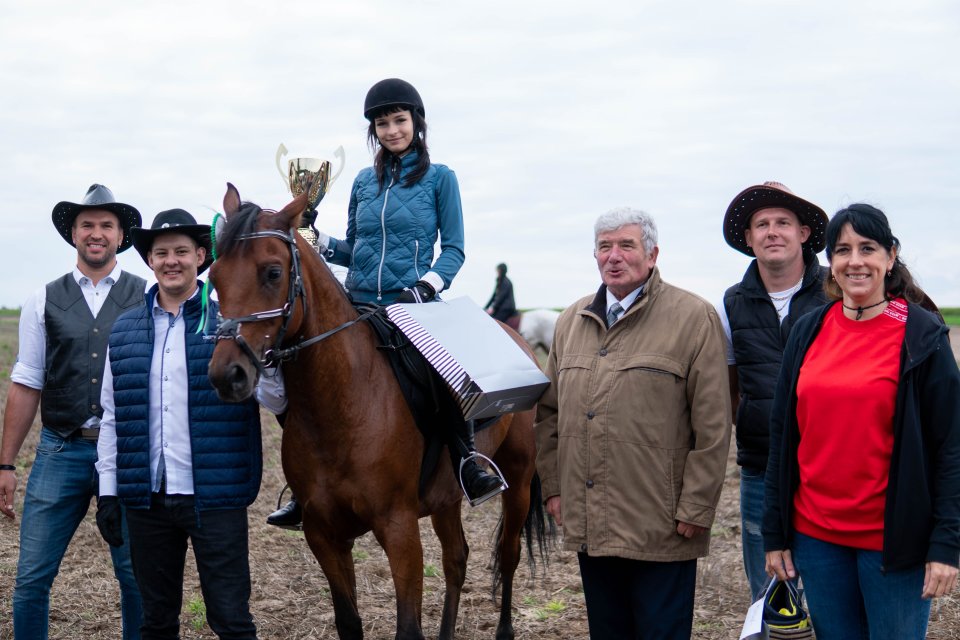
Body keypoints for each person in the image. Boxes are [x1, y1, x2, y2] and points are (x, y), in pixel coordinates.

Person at [267, 77, 503, 528]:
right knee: (301, 374)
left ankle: (467, 461)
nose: (392, 129)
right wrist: (317, 240)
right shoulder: (361, 182)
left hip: (413, 304)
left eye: (399, 120)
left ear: (417, 122)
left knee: (441, 375)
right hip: (357, 304)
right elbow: (355, 248)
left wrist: (427, 286)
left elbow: (454, 248)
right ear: (373, 131)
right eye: (382, 123)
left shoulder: (440, 178)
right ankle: (305, 487)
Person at [763, 203, 960, 639]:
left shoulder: (921, 334)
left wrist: (947, 543)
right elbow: (783, 435)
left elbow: (951, 445)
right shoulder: (809, 329)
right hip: (816, 539)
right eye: (843, 249)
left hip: (893, 542)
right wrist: (774, 535)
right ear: (830, 263)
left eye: (867, 248)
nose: (855, 261)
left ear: (890, 257)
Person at [535, 207, 731, 639]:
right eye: (605, 247)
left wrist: (697, 505)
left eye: (626, 245)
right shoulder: (572, 321)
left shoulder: (693, 318)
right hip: (592, 520)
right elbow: (548, 413)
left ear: (652, 254)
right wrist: (553, 486)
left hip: (661, 525)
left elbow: (713, 424)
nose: (614, 256)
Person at [94, 209, 267, 639]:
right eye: (161, 253)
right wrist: (109, 492)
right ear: (149, 261)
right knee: (156, 620)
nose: (172, 261)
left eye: (182, 252)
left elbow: (271, 394)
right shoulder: (125, 330)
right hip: (147, 500)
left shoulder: (230, 323)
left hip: (215, 497)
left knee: (231, 619)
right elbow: (114, 416)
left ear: (201, 257)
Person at [0, 184, 144, 639]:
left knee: (136, 579)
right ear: (74, 235)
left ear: (121, 236)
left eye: (106, 225)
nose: (96, 233)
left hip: (125, 456)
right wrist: (6, 463)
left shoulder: (148, 296)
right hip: (60, 449)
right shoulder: (43, 299)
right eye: (87, 225)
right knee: (31, 580)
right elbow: (27, 382)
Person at [718, 181, 829, 600]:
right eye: (761, 224)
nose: (772, 231)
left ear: (803, 233)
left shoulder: (837, 293)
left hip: (830, 467)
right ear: (749, 239)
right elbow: (730, 387)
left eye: (783, 221)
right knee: (769, 593)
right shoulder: (731, 304)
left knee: (828, 588)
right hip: (762, 467)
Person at [485, 262, 519, 329]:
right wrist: (485, 307)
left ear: (501, 270)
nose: (497, 272)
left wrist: (493, 308)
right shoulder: (499, 281)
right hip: (501, 307)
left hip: (506, 308)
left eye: (498, 270)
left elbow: (501, 297)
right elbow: (493, 296)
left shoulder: (506, 282)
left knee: (495, 322)